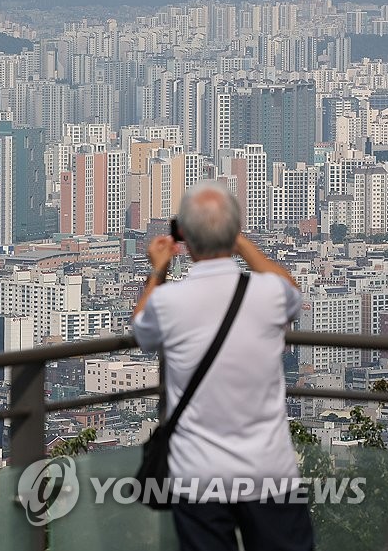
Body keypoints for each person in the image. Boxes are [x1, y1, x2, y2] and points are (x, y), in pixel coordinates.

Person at [132, 181, 313, 551]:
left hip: (198, 477)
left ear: (182, 234)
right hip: (268, 471)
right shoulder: (269, 294)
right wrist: (241, 241)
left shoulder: (169, 302)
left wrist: (159, 269)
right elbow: (291, 289)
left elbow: (141, 327)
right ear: (233, 232)